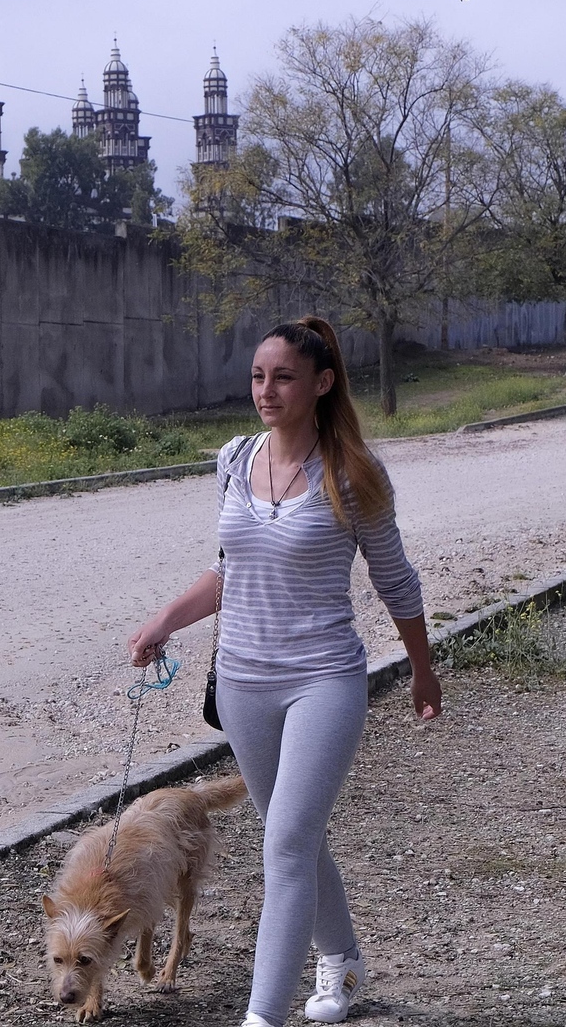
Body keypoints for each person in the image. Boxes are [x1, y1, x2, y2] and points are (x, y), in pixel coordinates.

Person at [128, 315, 442, 1027]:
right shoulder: (233, 459)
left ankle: (260, 1019)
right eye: (258, 376)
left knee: (287, 844)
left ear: (322, 383)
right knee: (289, 834)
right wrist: (164, 621)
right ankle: (344, 960)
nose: (266, 390)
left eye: (284, 377)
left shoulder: (353, 475)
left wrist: (422, 670)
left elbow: (396, 582)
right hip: (243, 683)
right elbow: (229, 570)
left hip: (323, 681)